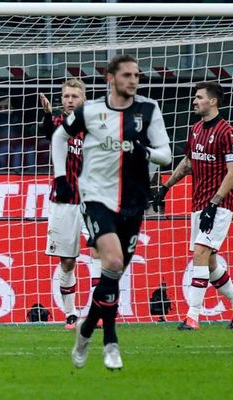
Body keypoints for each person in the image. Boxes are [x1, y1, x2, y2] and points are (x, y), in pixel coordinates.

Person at [52, 54, 171, 370]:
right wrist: (61, 177)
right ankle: (111, 343)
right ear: (110, 78)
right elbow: (59, 137)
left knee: (112, 276)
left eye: (137, 75)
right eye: (128, 75)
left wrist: (144, 150)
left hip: (133, 202)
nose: (134, 80)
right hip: (96, 199)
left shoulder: (148, 111)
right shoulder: (90, 111)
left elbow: (166, 155)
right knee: (113, 261)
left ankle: (86, 331)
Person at [152, 81, 233, 330]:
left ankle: (192, 316)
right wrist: (165, 187)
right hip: (198, 203)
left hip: (219, 204)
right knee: (209, 262)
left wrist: (214, 203)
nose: (194, 101)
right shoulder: (196, 128)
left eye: (199, 97)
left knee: (199, 254)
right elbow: (188, 163)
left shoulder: (227, 132)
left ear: (213, 101)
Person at [39, 79, 102, 330]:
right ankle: (71, 314)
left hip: (90, 200)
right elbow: (48, 135)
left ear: (83, 99)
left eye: (75, 96)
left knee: (98, 250)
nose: (69, 100)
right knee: (67, 261)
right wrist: (46, 114)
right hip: (63, 201)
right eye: (66, 96)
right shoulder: (58, 124)